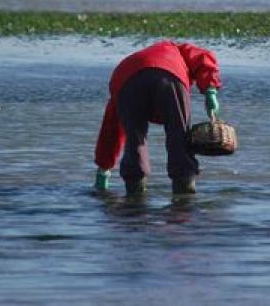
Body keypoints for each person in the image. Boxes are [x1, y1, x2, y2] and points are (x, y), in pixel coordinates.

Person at [93, 40, 222, 196]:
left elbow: (111, 128)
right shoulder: (177, 49)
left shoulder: (136, 59)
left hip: (125, 80)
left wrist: (103, 169)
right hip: (169, 75)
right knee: (179, 136)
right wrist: (210, 89)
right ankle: (183, 193)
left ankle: (135, 195)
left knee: (135, 140)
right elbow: (203, 58)